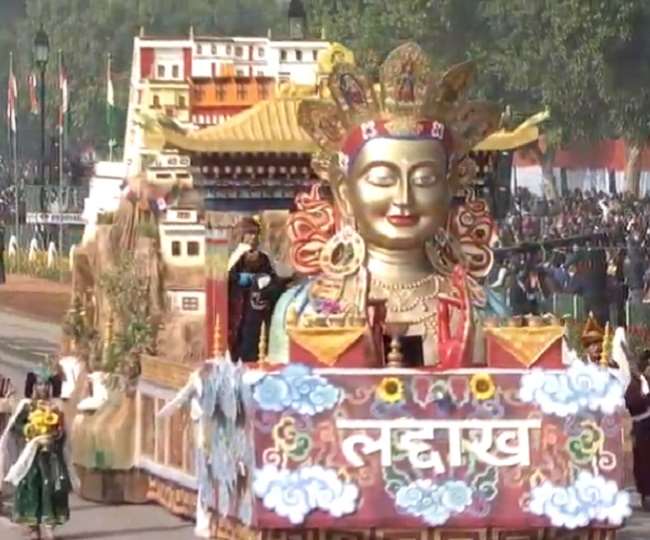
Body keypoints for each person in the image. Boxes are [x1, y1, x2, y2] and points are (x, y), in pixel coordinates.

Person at [269, 42, 501, 368]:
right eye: (382, 179)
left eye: (423, 180)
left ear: (450, 188)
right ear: (345, 192)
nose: (403, 199)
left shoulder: (481, 309)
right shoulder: (304, 310)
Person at [0, 364, 71, 540]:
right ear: (33, 386)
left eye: (46, 384)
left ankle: (49, 526)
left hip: (51, 456)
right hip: (31, 457)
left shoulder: (56, 406)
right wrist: (31, 431)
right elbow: (16, 426)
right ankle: (32, 527)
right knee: (31, 487)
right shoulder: (27, 405)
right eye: (39, 384)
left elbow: (63, 430)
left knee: (53, 487)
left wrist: (55, 435)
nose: (43, 388)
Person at [228, 217, 285, 362]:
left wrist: (265, 280)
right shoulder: (236, 256)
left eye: (256, 234)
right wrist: (240, 278)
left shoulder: (263, 258)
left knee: (257, 340)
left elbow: (272, 277)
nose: (253, 237)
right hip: (239, 306)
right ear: (242, 235)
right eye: (250, 233)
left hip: (258, 307)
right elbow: (227, 277)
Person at [625, 349, 650, 512]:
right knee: (643, 462)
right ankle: (646, 494)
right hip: (642, 428)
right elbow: (631, 403)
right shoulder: (636, 384)